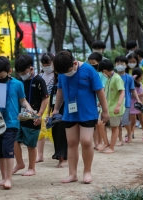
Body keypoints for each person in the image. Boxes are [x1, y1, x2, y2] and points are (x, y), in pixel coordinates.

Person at [52, 50, 109, 183]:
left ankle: (87, 171)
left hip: (87, 112)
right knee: (71, 142)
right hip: (69, 113)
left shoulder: (88, 70)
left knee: (86, 141)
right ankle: (72, 174)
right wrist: (55, 109)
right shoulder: (62, 72)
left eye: (69, 70)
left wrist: (105, 111)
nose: (67, 74)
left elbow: (100, 90)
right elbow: (60, 90)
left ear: (75, 63)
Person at [0, 56, 33, 189]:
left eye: (1, 76)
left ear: (9, 71)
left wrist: (30, 109)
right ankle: (3, 177)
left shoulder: (17, 84)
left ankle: (9, 179)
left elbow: (22, 100)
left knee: (8, 150)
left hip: (11, 122)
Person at [13, 54, 49, 176]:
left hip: (34, 117)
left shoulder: (39, 80)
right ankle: (19, 163)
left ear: (31, 68)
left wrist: (39, 115)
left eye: (24, 72)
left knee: (31, 144)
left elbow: (45, 99)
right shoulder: (18, 82)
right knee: (14, 139)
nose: (22, 74)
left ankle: (32, 168)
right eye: (20, 72)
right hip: (20, 116)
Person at [98, 60, 125, 154]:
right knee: (100, 124)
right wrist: (101, 102)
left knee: (114, 127)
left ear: (104, 70)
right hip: (108, 107)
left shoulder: (117, 78)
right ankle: (106, 143)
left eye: (102, 71)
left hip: (115, 108)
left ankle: (112, 147)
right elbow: (106, 92)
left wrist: (118, 105)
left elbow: (122, 92)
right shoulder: (109, 79)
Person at [114, 56, 141, 144]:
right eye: (118, 63)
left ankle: (129, 133)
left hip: (126, 103)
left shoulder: (129, 78)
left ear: (126, 65)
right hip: (115, 102)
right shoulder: (113, 76)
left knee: (125, 121)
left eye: (122, 63)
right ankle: (120, 138)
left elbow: (132, 90)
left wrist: (138, 100)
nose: (119, 65)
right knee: (117, 122)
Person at [88, 52, 108, 151]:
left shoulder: (102, 75)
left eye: (94, 63)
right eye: (90, 63)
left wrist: (101, 102)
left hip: (99, 102)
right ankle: (96, 142)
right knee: (94, 124)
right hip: (92, 101)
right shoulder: (90, 72)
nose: (92, 65)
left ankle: (101, 142)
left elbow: (102, 89)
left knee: (99, 124)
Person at [47, 71, 68, 168]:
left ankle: (63, 158)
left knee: (62, 135)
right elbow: (51, 100)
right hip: (55, 113)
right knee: (55, 134)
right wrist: (48, 113)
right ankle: (59, 156)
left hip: (65, 113)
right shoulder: (54, 85)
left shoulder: (67, 84)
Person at [36, 53, 55, 163]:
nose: (46, 66)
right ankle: (40, 155)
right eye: (44, 64)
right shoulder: (41, 76)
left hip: (53, 104)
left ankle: (59, 153)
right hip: (43, 105)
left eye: (48, 64)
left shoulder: (57, 76)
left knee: (54, 130)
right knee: (41, 130)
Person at [130, 68, 143, 142]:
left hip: (140, 105)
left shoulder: (140, 84)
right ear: (141, 76)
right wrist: (142, 94)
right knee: (133, 121)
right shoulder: (132, 84)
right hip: (133, 104)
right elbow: (133, 95)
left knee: (142, 120)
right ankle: (130, 133)